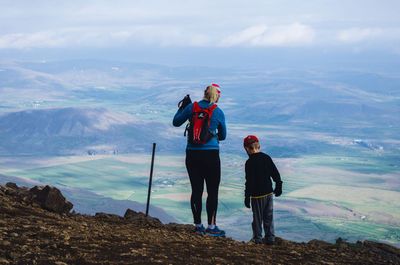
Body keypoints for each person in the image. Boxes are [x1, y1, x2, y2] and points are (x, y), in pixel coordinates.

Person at [173, 84, 227, 236]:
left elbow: (176, 122)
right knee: (212, 191)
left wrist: (183, 107)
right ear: (217, 96)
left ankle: (198, 225)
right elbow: (223, 136)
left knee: (196, 190)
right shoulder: (218, 112)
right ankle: (211, 227)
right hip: (211, 155)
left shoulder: (192, 108)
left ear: (204, 93)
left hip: (192, 154)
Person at [243, 135, 282, 245]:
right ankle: (270, 239)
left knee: (257, 219)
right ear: (258, 146)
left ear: (246, 148)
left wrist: (247, 196)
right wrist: (278, 186)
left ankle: (257, 239)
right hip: (269, 193)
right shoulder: (266, 157)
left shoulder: (249, 163)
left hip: (257, 196)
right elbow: (275, 173)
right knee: (269, 217)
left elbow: (249, 181)